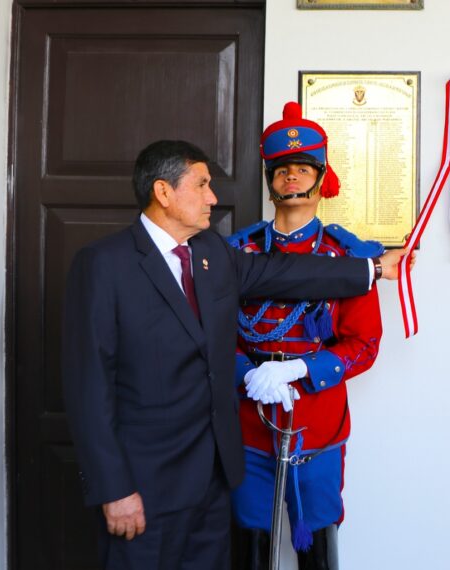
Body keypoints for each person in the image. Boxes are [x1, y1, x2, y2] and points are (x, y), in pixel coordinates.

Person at [61, 139, 407, 569]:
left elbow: (283, 273)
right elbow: (88, 389)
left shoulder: (211, 253)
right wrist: (112, 488)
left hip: (213, 480)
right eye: (203, 184)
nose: (213, 197)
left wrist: (371, 268)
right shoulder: (103, 264)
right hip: (144, 486)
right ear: (164, 193)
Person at [229, 102, 382, 569]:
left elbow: (364, 343)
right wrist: (247, 372)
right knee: (247, 546)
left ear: (322, 177)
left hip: (316, 422)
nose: (291, 177)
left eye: (302, 168)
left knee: (318, 549)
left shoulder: (347, 257)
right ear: (269, 178)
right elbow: (212, 331)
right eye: (281, 169)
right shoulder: (240, 250)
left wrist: (301, 369)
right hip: (250, 419)